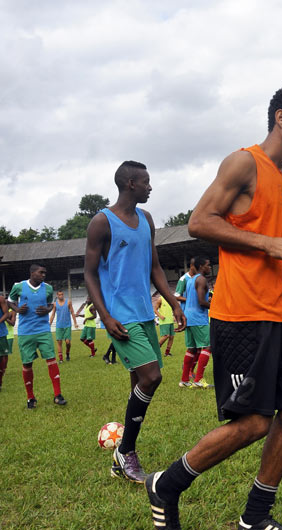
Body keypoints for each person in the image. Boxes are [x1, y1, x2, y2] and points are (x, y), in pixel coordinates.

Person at [145, 85, 282, 530]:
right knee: (253, 422)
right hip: (242, 316)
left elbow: (266, 237)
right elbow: (200, 221)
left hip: (280, 312)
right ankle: (166, 485)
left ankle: (255, 519)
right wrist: (269, 243)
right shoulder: (244, 163)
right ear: (281, 118)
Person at [84, 160, 186, 484]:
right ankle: (125, 451)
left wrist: (173, 303)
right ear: (131, 184)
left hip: (145, 312)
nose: (150, 187)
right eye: (146, 182)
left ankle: (126, 452)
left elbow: (155, 266)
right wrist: (106, 315)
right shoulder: (102, 222)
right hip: (120, 314)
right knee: (151, 377)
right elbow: (89, 273)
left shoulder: (147, 219)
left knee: (139, 384)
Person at [8, 264, 66, 408]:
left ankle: (58, 395)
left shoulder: (48, 288)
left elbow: (50, 305)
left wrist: (46, 310)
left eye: (45, 273)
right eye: (41, 273)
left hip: (43, 330)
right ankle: (30, 398)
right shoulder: (19, 286)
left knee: (51, 360)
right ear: (32, 273)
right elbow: (10, 301)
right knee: (27, 364)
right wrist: (17, 309)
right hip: (25, 332)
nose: (43, 275)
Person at [179, 256, 212, 389]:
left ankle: (184, 380)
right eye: (208, 265)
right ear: (201, 266)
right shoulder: (202, 279)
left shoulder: (191, 280)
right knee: (208, 346)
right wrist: (216, 305)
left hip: (189, 316)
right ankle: (198, 379)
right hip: (198, 317)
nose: (209, 267)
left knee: (192, 348)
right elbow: (201, 302)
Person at [49, 290, 79, 363]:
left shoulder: (68, 302)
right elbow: (53, 314)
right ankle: (61, 359)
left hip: (67, 325)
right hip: (59, 326)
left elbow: (72, 312)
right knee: (59, 342)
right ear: (57, 295)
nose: (61, 296)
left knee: (68, 342)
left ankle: (67, 353)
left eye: (62, 294)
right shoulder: (55, 304)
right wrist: (49, 323)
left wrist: (75, 323)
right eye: (59, 295)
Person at [0, 295, 10, 391]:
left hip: (1, 334)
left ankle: (0, 379)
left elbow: (6, 314)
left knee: (2, 357)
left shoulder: (1, 299)